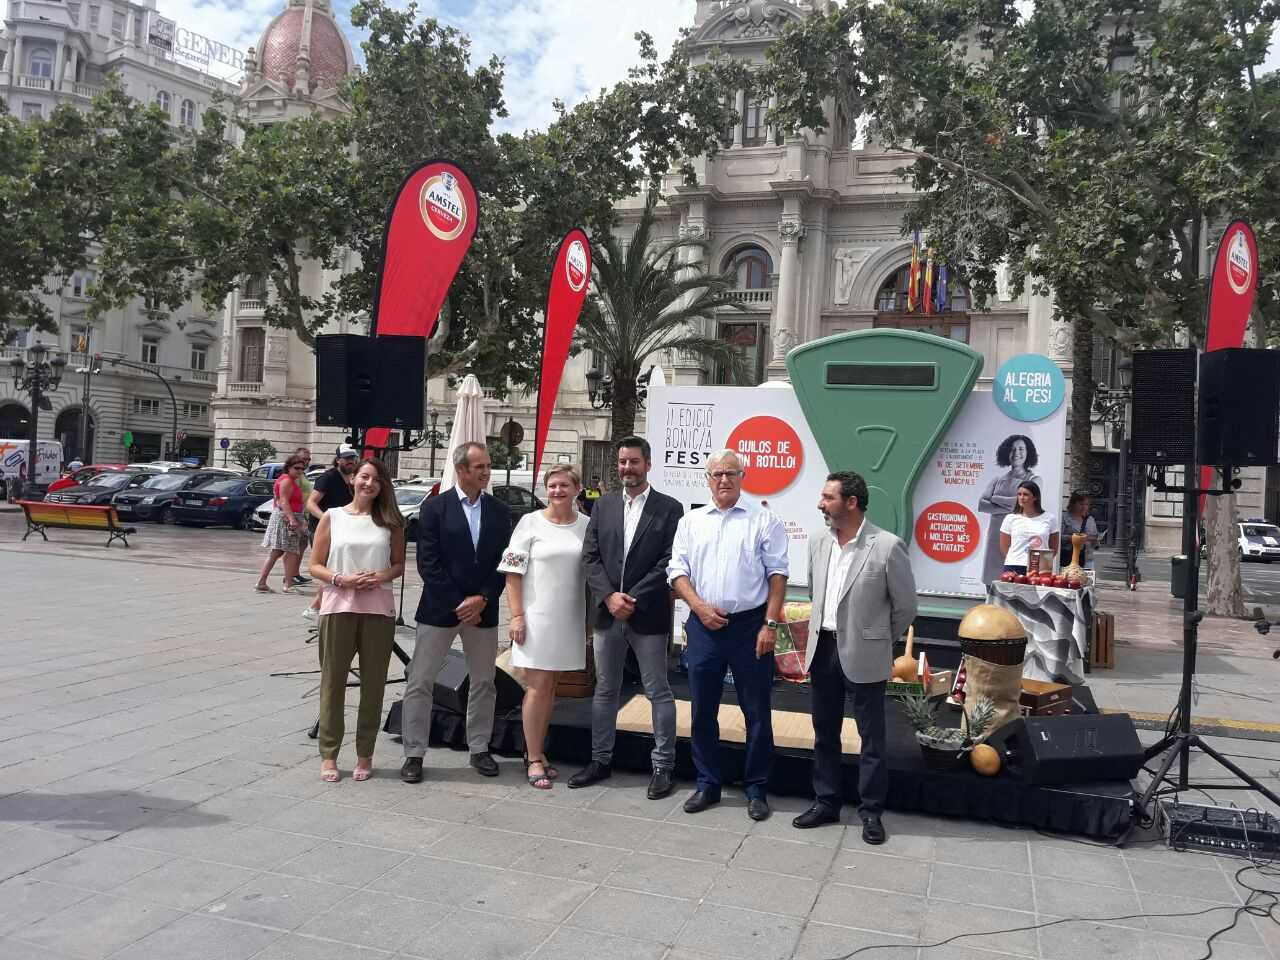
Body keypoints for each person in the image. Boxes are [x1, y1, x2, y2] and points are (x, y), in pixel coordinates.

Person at [793, 472, 918, 845]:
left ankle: (871, 812)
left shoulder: (886, 546)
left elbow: (906, 607)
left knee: (871, 737)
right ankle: (826, 802)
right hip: (823, 650)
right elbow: (816, 592)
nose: (820, 503)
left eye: (828, 497)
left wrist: (879, 639)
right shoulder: (817, 541)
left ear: (851, 502)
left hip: (866, 652)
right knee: (824, 733)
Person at [667, 449, 788, 821]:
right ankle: (707, 783)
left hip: (750, 626)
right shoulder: (691, 522)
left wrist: (770, 624)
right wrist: (699, 608)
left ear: (742, 477)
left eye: (731, 473)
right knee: (703, 709)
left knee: (757, 711)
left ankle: (756, 788)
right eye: (717, 473)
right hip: (703, 626)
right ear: (707, 478)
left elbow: (778, 575)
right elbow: (677, 571)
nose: (723, 479)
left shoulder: (764, 520)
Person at [572, 437, 683, 798]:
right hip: (607, 615)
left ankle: (663, 767)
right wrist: (608, 596)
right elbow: (590, 557)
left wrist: (631, 597)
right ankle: (600, 760)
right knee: (605, 689)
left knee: (658, 691)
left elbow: (669, 561)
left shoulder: (670, 509)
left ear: (648, 464)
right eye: (621, 462)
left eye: (633, 462)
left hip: (647, 614)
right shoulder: (602, 507)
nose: (626, 469)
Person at [401, 442, 511, 783]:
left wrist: (483, 599)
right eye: (479, 466)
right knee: (420, 681)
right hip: (439, 609)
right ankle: (414, 753)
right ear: (461, 469)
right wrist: (460, 604)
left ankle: (479, 747)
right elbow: (428, 563)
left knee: (484, 682)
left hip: (484, 611)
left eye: (487, 465)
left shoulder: (499, 510)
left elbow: (504, 562)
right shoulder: (434, 508)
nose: (486, 471)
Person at [309, 458, 405, 782]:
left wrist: (376, 577)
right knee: (333, 683)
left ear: (382, 486)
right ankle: (329, 755)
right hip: (338, 606)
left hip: (378, 609)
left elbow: (398, 565)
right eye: (364, 476)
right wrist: (341, 579)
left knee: (373, 686)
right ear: (352, 479)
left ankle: (365, 753)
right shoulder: (333, 517)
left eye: (376, 480)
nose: (369, 483)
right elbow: (314, 565)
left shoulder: (391, 521)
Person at [499, 464, 591, 789]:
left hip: (569, 619)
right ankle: (534, 757)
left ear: (577, 489)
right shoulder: (529, 522)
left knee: (551, 688)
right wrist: (517, 616)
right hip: (536, 618)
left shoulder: (587, 526)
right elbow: (512, 572)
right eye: (552, 485)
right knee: (537, 688)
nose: (557, 491)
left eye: (564, 485)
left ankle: (537, 751)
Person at [978, 434, 1042, 584]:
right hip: (995, 537)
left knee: (1014, 581)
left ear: (1028, 452)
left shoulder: (1033, 480)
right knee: (991, 580)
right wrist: (1011, 504)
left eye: (1021, 449)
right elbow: (981, 504)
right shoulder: (997, 479)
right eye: (1012, 449)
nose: (1016, 453)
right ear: (1006, 453)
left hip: (1018, 537)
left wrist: (994, 499)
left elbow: (1021, 504)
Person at [302, 446, 357, 620]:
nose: (350, 461)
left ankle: (318, 607)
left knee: (336, 568)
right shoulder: (328, 477)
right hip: (322, 530)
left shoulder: (353, 479)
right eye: (346, 458)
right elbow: (311, 503)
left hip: (342, 530)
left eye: (353, 458)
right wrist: (328, 518)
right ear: (338, 459)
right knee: (328, 569)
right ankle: (315, 608)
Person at [256, 454, 308, 593]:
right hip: (287, 518)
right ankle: (288, 585)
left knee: (277, 551)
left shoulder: (288, 480)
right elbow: (283, 501)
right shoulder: (287, 481)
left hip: (285, 517)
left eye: (302, 468)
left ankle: (262, 582)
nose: (300, 471)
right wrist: (292, 520)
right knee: (290, 552)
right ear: (288, 467)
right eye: (296, 468)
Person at [999, 480, 1059, 575]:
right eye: (1019, 494)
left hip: (1041, 567)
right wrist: (1016, 559)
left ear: (1035, 497)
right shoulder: (1010, 518)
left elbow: (1054, 547)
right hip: (1015, 565)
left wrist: (1044, 562)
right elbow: (1004, 546)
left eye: (1026, 495)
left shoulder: (1050, 518)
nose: (1021, 498)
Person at [291, 447, 314, 585]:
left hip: (304, 513)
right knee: (293, 547)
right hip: (298, 514)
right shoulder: (295, 475)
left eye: (308, 459)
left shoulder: (303, 474)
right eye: (304, 458)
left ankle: (295, 573)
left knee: (302, 544)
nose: (306, 461)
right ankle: (290, 575)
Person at [1062, 491, 1100, 569]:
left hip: (1086, 558)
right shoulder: (1064, 517)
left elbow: (1095, 539)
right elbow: (1059, 537)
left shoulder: (1090, 519)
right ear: (1073, 504)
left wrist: (1094, 540)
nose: (1084, 507)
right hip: (1067, 557)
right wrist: (1074, 538)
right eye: (1081, 504)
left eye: (1086, 504)